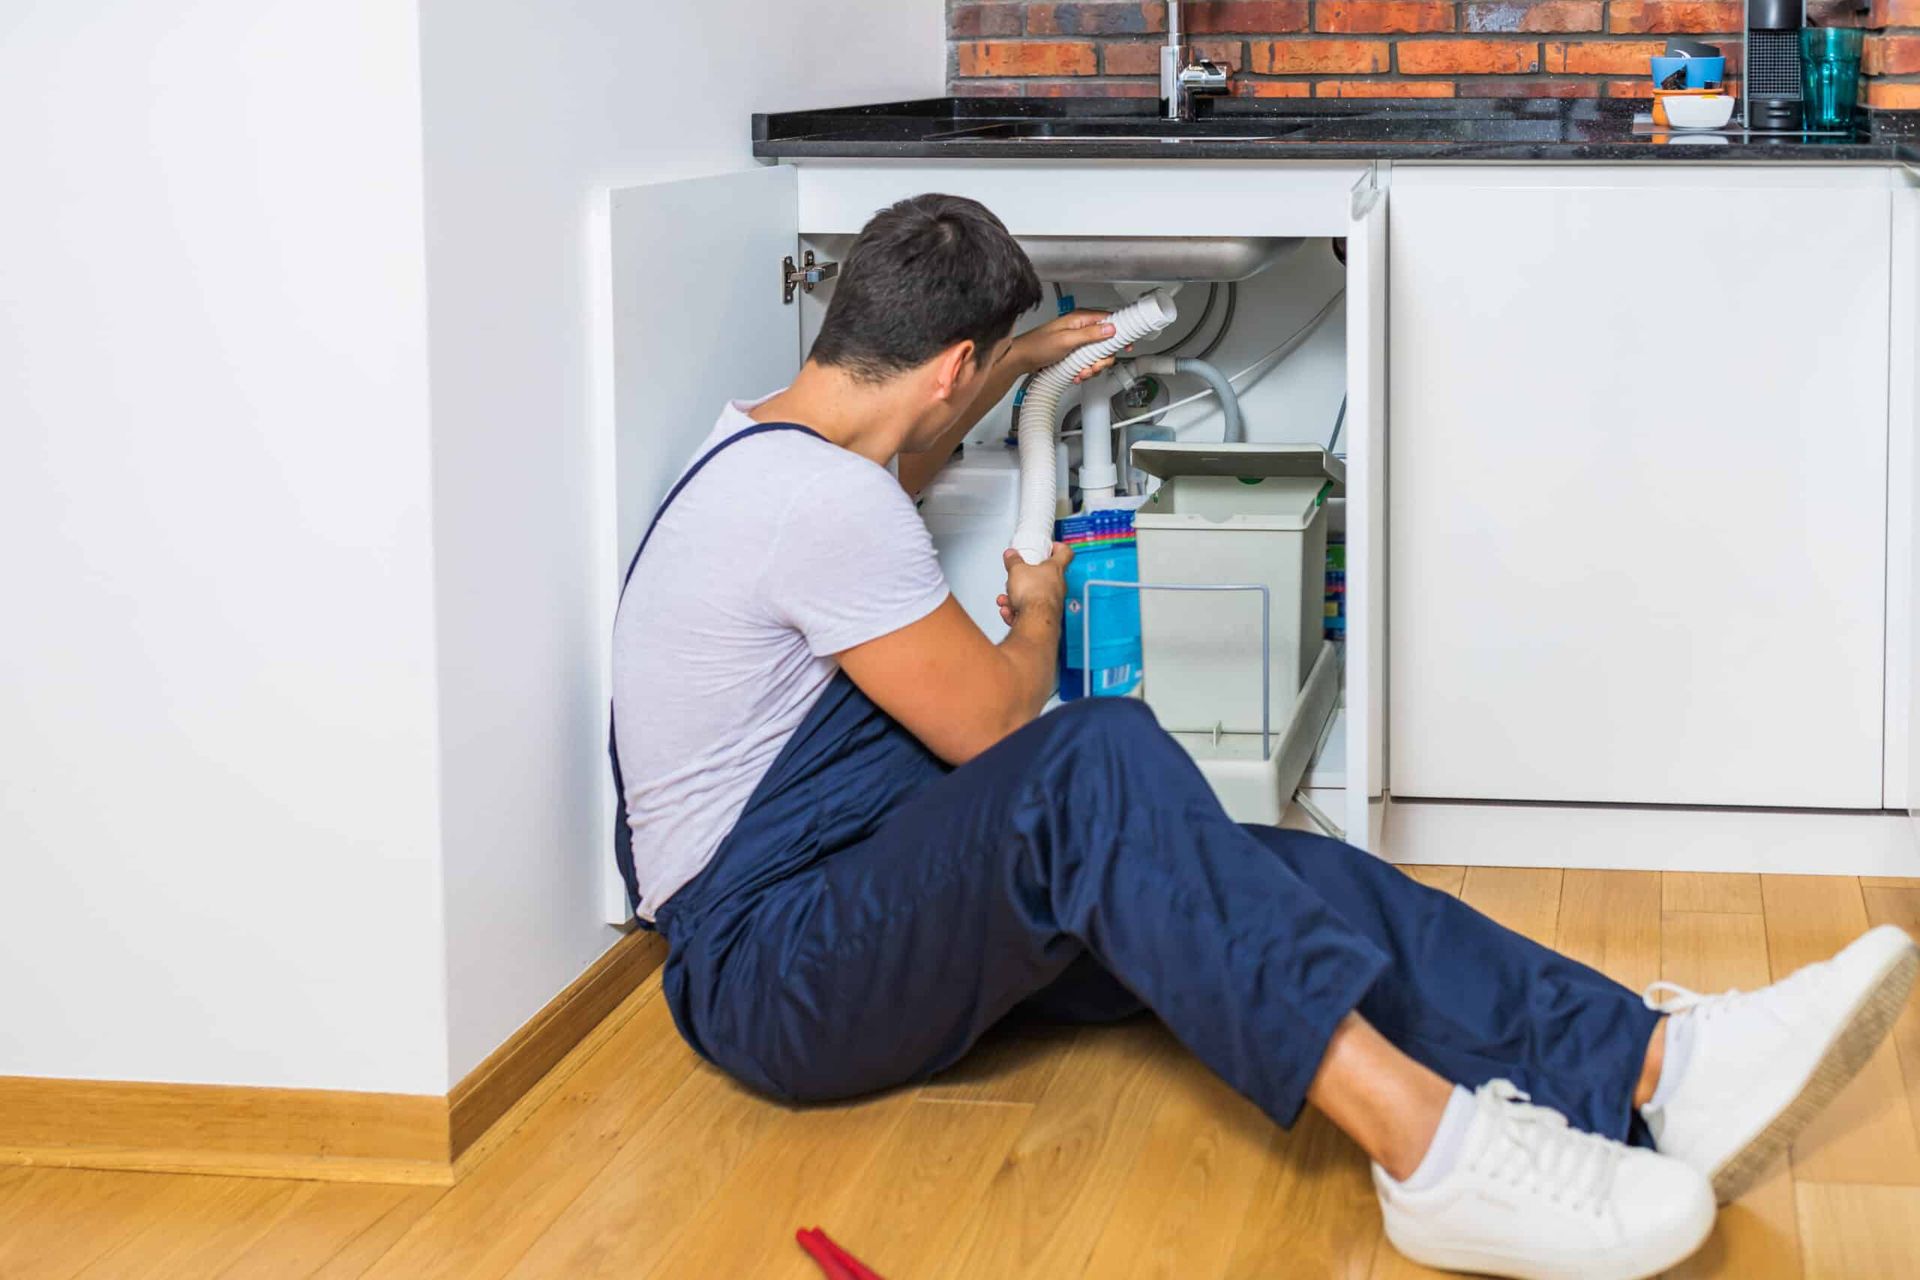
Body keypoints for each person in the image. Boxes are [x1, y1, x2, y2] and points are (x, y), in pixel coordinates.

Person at [609, 193, 1919, 1280]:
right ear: (949, 368)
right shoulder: (826, 511)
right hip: (777, 973)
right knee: (1096, 757)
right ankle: (1433, 1158)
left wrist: (1010, 367)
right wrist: (1040, 612)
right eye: (976, 375)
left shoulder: (765, 451)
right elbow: (1003, 722)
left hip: (853, 897)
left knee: (1254, 867)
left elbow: (908, 435)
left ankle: (1651, 1065)